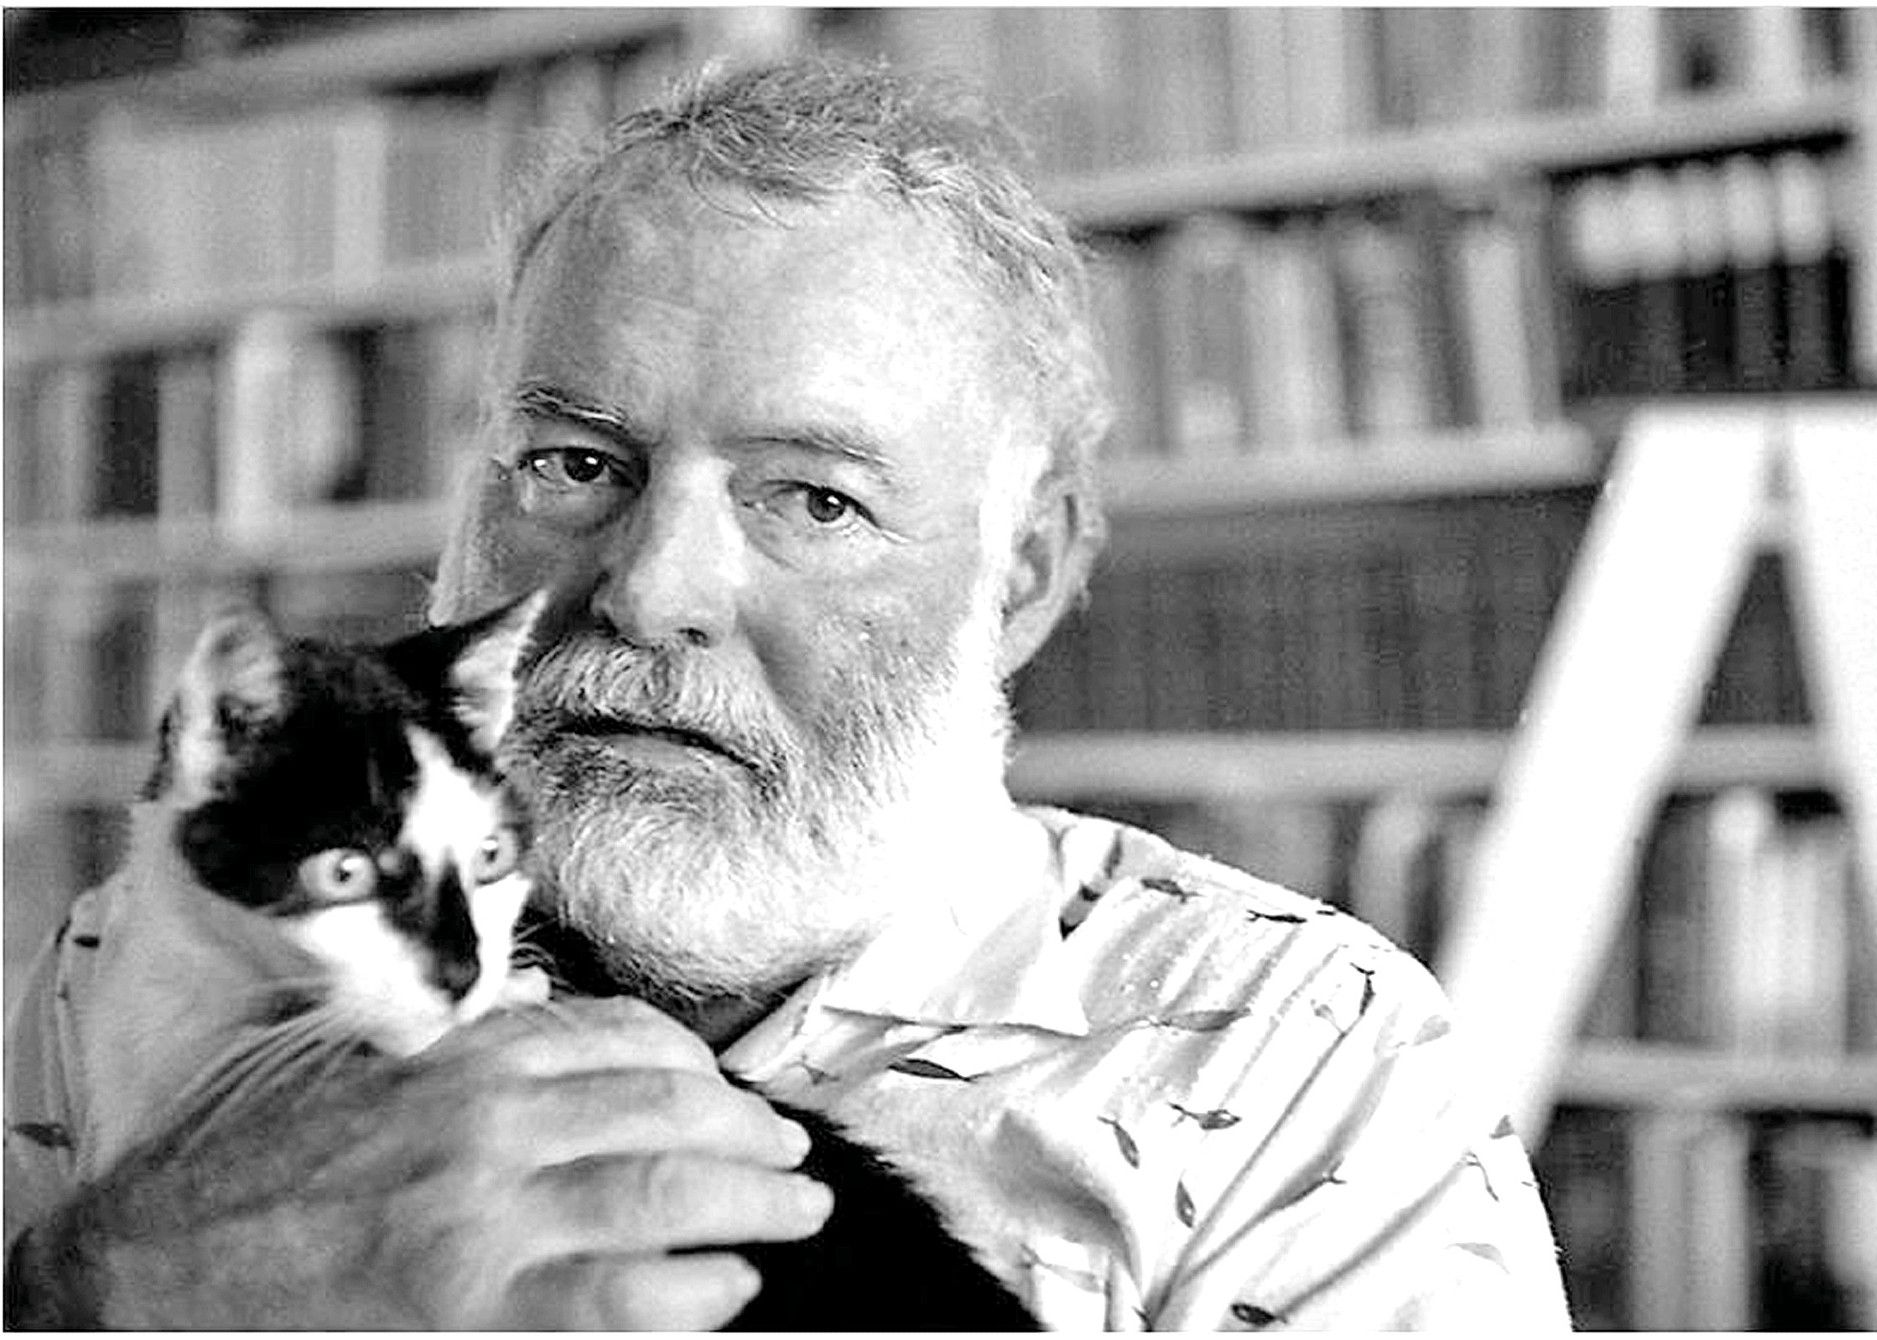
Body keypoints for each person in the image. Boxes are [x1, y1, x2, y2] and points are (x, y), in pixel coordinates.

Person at [5, 58, 1570, 1329]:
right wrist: (105, 1293)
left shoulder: (1295, 1059)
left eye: (812, 498)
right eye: (573, 466)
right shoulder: (155, 961)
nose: (650, 589)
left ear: (1019, 576)